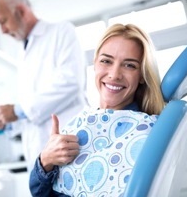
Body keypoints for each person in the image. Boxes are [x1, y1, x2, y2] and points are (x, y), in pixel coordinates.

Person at [29, 23, 166, 196]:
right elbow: (38, 192)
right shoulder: (81, 123)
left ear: (141, 75)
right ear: (95, 65)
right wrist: (45, 160)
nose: (114, 74)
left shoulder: (146, 131)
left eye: (129, 65)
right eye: (106, 61)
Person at [0, 0, 88, 171]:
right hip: (40, 159)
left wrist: (15, 111)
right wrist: (4, 121)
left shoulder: (61, 32)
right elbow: (32, 112)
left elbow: (71, 82)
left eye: (3, 21)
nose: (1, 30)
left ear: (22, 12)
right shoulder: (23, 53)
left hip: (68, 150)